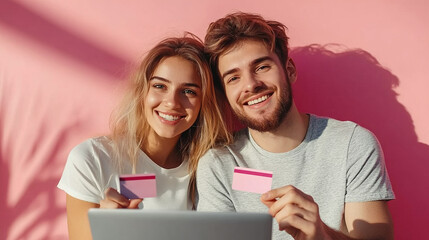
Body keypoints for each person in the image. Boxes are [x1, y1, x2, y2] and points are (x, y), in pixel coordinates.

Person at [196, 12, 395, 240]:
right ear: (226, 95)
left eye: (261, 67)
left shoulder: (352, 144)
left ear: (289, 70)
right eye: (233, 78)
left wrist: (322, 235)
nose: (251, 84)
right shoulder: (219, 164)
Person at [58, 35, 231, 240]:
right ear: (142, 92)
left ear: (204, 103)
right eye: (160, 86)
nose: (172, 103)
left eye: (188, 91)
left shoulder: (209, 167)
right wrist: (107, 232)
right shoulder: (92, 158)